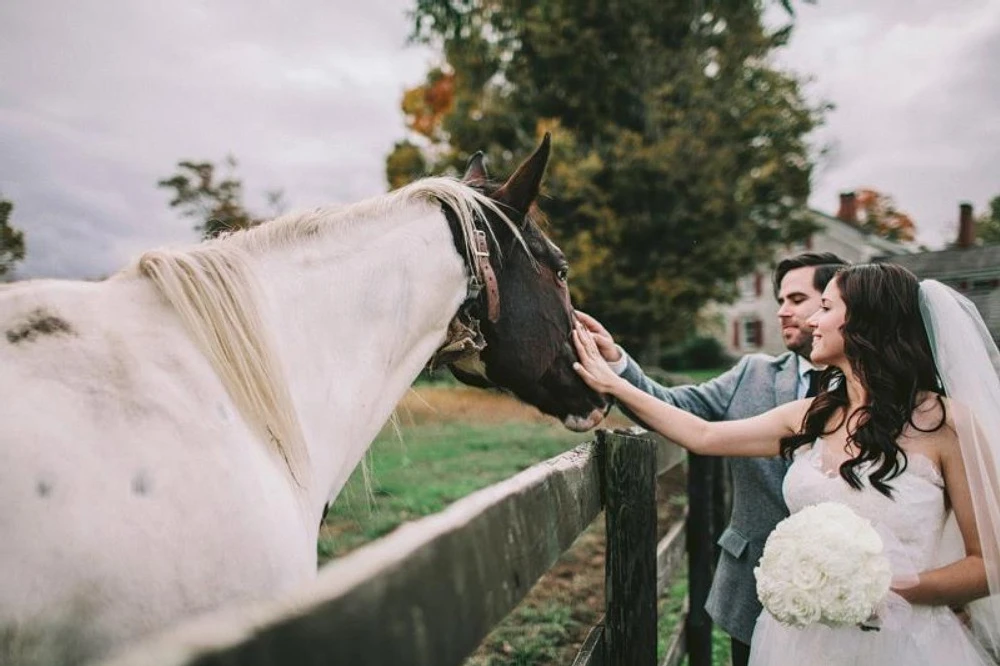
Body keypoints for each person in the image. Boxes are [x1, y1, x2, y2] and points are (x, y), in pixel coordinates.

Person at [573, 263, 1000, 665]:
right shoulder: (810, 415)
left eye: (827, 308)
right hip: (798, 643)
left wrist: (880, 590)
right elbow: (701, 436)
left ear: (867, 322)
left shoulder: (948, 424)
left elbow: (989, 565)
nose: (812, 321)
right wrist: (616, 383)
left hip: (905, 644)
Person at [576, 251, 847, 665]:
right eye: (779, 301)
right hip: (753, 586)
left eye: (796, 299)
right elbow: (673, 405)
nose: (782, 312)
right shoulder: (752, 374)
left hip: (846, 589)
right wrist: (616, 363)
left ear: (833, 302)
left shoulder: (871, 391)